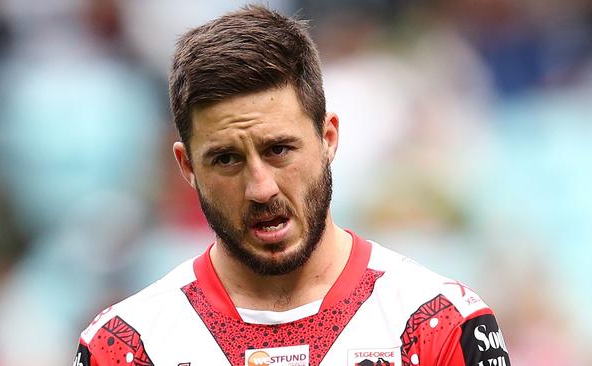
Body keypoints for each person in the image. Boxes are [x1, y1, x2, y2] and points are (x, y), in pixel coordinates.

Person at [73, 5, 511, 366]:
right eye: (226, 159)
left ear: (328, 139)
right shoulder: (125, 347)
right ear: (186, 166)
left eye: (279, 150)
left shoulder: (440, 327)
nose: (260, 189)